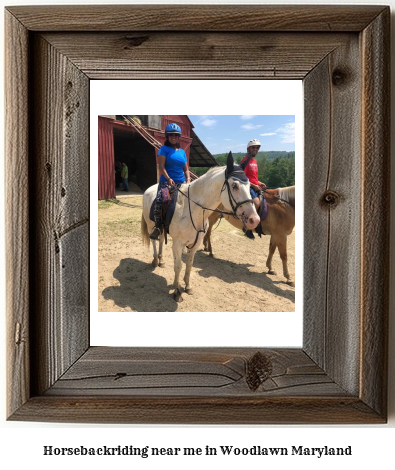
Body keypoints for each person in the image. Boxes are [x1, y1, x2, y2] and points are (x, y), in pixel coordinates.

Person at [150, 123, 190, 240]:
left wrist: (188, 179)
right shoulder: (163, 149)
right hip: (166, 182)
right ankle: (158, 227)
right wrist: (168, 178)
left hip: (182, 183)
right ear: (167, 136)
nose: (173, 137)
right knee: (160, 201)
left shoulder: (182, 152)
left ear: (179, 137)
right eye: (171, 135)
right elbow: (161, 167)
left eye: (176, 135)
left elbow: (186, 168)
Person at [240, 139, 266, 239]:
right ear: (249, 149)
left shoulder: (254, 161)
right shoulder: (245, 161)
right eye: (253, 147)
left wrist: (260, 183)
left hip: (255, 186)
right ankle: (247, 227)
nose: (255, 149)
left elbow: (254, 177)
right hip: (247, 186)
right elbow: (243, 178)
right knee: (256, 203)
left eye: (257, 147)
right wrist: (254, 186)